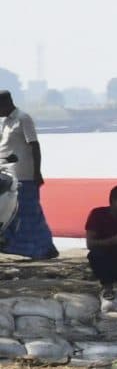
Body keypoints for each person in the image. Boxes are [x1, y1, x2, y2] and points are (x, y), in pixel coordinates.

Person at [0, 90, 55, 258]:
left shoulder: (23, 119)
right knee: (11, 214)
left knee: (31, 213)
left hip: (25, 175)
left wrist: (37, 172)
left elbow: (34, 146)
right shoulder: (5, 122)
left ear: (6, 103)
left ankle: (45, 249)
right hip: (8, 174)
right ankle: (17, 247)